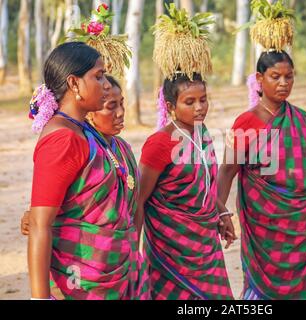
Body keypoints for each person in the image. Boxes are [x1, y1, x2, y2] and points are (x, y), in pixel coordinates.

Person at [217, 0, 306, 300]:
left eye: (289, 77)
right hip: (265, 229)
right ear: (259, 80)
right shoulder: (246, 123)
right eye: (275, 77)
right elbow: (227, 171)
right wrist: (221, 211)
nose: (284, 83)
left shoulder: (302, 119)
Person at [27, 42, 147, 300]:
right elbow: (40, 223)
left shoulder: (86, 132)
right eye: (98, 76)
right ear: (74, 83)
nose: (105, 84)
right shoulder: (63, 138)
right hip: (80, 281)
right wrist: (40, 297)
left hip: (116, 270)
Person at [136, 5, 234, 300]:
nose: (200, 107)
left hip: (206, 247)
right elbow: (139, 199)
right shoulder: (159, 144)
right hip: (171, 252)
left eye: (203, 99)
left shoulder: (201, 134)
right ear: (169, 107)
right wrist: (134, 254)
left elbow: (203, 185)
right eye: (189, 102)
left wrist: (222, 211)